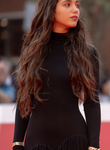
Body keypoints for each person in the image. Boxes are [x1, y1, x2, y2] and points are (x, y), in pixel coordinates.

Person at [12, 0, 101, 150]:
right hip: (37, 143)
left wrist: (94, 146)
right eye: (67, 4)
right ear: (51, 10)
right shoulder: (31, 51)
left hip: (74, 141)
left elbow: (92, 102)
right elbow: (24, 99)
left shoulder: (87, 53)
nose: (75, 10)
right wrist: (17, 142)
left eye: (77, 5)